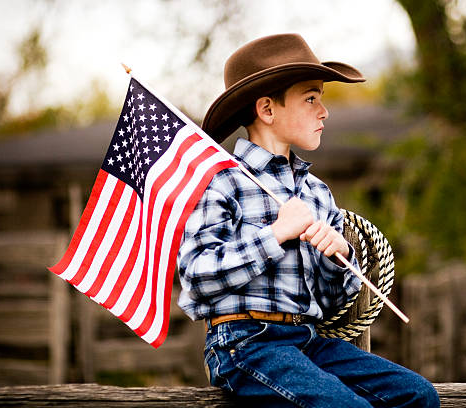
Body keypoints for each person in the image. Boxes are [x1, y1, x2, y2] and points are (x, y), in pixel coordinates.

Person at [177, 33, 440, 408]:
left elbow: (334, 301)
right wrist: (275, 235)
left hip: (306, 339)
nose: (324, 111)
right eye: (311, 98)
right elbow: (196, 276)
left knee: (418, 395)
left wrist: (338, 258)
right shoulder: (223, 182)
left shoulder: (316, 193)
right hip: (243, 342)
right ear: (268, 110)